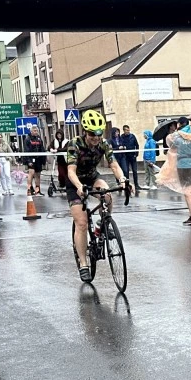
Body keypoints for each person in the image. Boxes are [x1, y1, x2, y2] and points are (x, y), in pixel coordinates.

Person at [66, 110, 131, 282]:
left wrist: (122, 179)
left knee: (107, 194)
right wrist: (79, 187)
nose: (95, 138)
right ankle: (84, 263)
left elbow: (114, 164)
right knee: (81, 222)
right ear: (85, 132)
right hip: (75, 182)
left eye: (98, 134)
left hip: (92, 176)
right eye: (91, 134)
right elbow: (71, 171)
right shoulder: (75, 144)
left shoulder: (104, 144)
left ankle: (103, 222)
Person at [156, 117, 191, 225]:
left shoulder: (177, 137)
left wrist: (171, 131)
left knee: (187, 191)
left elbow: (170, 145)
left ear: (180, 124)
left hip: (183, 166)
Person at [25, 125, 46, 195]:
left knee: (38, 175)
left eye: (37, 130)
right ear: (31, 131)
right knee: (31, 173)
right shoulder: (28, 139)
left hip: (38, 159)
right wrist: (28, 161)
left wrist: (43, 159)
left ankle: (37, 190)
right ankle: (29, 189)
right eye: (35, 131)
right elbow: (26, 150)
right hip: (31, 158)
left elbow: (42, 148)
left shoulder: (39, 139)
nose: (36, 132)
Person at [121, 124, 141, 191]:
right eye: (126, 130)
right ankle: (127, 185)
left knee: (135, 171)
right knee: (126, 172)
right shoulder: (122, 137)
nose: (128, 131)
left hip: (133, 156)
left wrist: (136, 153)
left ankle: (136, 185)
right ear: (124, 130)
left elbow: (137, 145)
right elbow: (121, 146)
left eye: (128, 130)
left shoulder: (132, 136)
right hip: (126, 157)